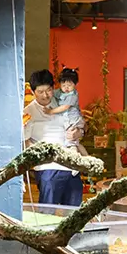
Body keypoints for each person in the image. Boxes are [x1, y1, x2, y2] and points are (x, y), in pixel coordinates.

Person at [24, 67, 86, 208]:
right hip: (48, 169)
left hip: (71, 168)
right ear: (33, 92)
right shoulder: (28, 113)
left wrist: (79, 132)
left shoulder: (62, 102)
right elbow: (25, 142)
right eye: (40, 92)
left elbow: (82, 125)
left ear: (53, 87)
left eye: (49, 90)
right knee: (47, 213)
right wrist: (39, 156)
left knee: (74, 213)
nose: (45, 95)